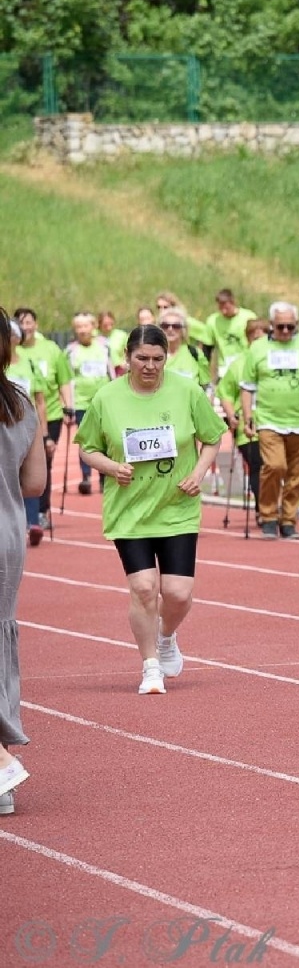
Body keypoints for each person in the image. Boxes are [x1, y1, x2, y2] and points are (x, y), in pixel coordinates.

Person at [75, 325, 226, 695]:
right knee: (144, 588)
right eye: (142, 358)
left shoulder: (186, 390)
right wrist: (111, 468)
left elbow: (212, 436)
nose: (150, 366)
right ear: (127, 357)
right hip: (130, 511)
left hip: (176, 505)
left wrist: (198, 472)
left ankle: (166, 636)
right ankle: (150, 667)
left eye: (157, 359)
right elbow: (87, 448)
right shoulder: (106, 398)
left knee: (176, 593)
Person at [1, 309, 48, 814]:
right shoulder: (20, 401)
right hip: (8, 533)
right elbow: (34, 485)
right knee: (1, 638)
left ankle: (1, 770)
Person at [239, 302, 299, 540]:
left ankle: (288, 520)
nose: (286, 331)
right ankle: (268, 516)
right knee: (275, 466)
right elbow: (247, 387)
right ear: (272, 325)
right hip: (270, 420)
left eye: (291, 327)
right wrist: (248, 416)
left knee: (296, 475)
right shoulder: (258, 348)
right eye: (281, 327)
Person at [13, 308, 70, 541]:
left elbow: (41, 399)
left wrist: (45, 434)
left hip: (35, 422)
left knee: (37, 469)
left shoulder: (38, 357)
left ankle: (36, 517)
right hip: (8, 426)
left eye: (28, 322)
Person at [216, 318, 269, 506]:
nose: (259, 343)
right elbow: (224, 392)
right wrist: (231, 415)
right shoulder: (239, 364)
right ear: (248, 340)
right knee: (257, 466)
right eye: (255, 339)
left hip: (273, 422)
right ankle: (263, 509)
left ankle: (275, 506)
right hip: (248, 426)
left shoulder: (274, 360)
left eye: (264, 338)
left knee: (274, 466)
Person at [66, 311, 115, 494]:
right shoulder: (71, 350)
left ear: (93, 327)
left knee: (105, 439)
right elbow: (69, 379)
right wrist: (69, 405)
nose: (82, 330)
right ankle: (85, 477)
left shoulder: (104, 346)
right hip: (81, 402)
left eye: (85, 326)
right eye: (78, 327)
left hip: (103, 402)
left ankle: (104, 476)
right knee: (86, 441)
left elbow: (111, 371)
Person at [204, 289, 258, 380]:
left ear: (233, 302)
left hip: (246, 366)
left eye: (226, 307)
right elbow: (207, 348)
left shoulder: (248, 317)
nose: (224, 311)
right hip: (225, 368)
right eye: (220, 308)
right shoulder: (213, 321)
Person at [158, 308, 211, 389]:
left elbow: (206, 387)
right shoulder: (152, 355)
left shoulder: (195, 353)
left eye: (176, 326)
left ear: (183, 330)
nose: (170, 329)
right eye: (165, 326)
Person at [158, 292, 214, 360]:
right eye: (159, 307)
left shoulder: (188, 322)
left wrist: (201, 355)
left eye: (165, 307)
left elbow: (207, 335)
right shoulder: (160, 323)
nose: (161, 310)